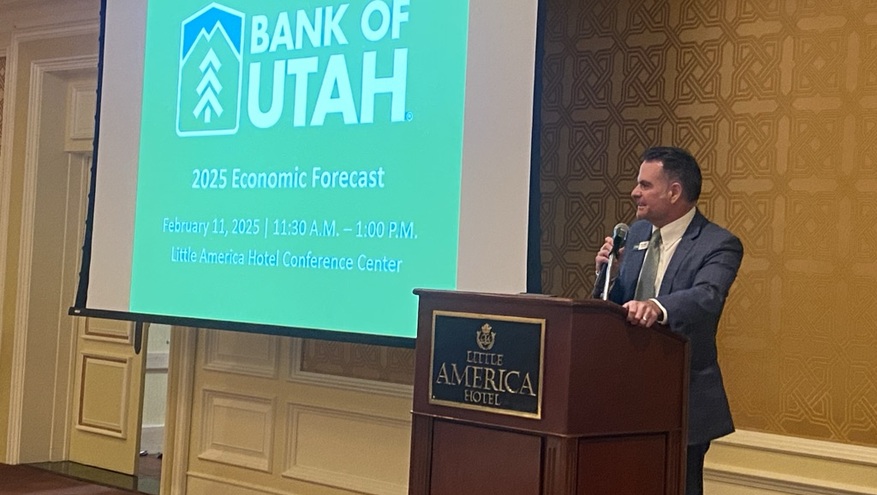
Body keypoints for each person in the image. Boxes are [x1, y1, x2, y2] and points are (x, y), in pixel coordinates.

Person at [594, 146, 743, 495]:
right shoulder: (636, 235)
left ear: (674, 192)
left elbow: (708, 296)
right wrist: (605, 274)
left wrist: (657, 307)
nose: (635, 192)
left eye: (645, 185)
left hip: (683, 399)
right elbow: (615, 306)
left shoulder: (718, 244)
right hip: (627, 398)